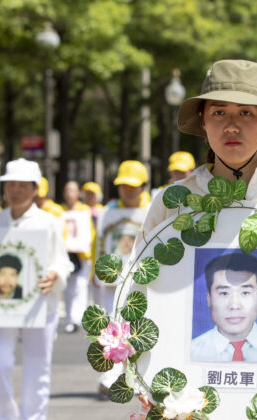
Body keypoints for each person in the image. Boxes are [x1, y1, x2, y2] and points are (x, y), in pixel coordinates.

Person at [126, 59, 257, 419]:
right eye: (218, 112)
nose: (231, 125)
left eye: (246, 112)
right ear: (203, 120)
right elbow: (140, 293)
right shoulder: (172, 203)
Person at [0, 158, 73, 420]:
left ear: (36, 189)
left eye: (23, 185)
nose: (15, 190)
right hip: (0, 306)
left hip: (38, 304)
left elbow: (63, 262)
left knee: (37, 368)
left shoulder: (49, 222)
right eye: (10, 184)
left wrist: (54, 274)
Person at [94, 160, 151, 397]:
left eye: (133, 185)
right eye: (123, 185)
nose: (128, 190)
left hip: (141, 280)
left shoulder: (151, 208)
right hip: (112, 282)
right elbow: (98, 242)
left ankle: (130, 376)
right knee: (111, 326)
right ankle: (110, 376)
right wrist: (95, 273)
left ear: (143, 186)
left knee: (136, 328)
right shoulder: (109, 212)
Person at [191, 253, 257, 362]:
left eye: (245, 292)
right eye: (224, 293)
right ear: (209, 298)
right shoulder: (192, 352)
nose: (234, 305)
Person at [61, 180, 96, 333]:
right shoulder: (59, 210)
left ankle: (77, 318)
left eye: (72, 190)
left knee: (80, 287)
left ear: (77, 193)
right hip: (65, 255)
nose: (70, 193)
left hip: (81, 255)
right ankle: (69, 318)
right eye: (67, 190)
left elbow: (90, 234)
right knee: (67, 289)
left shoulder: (84, 211)